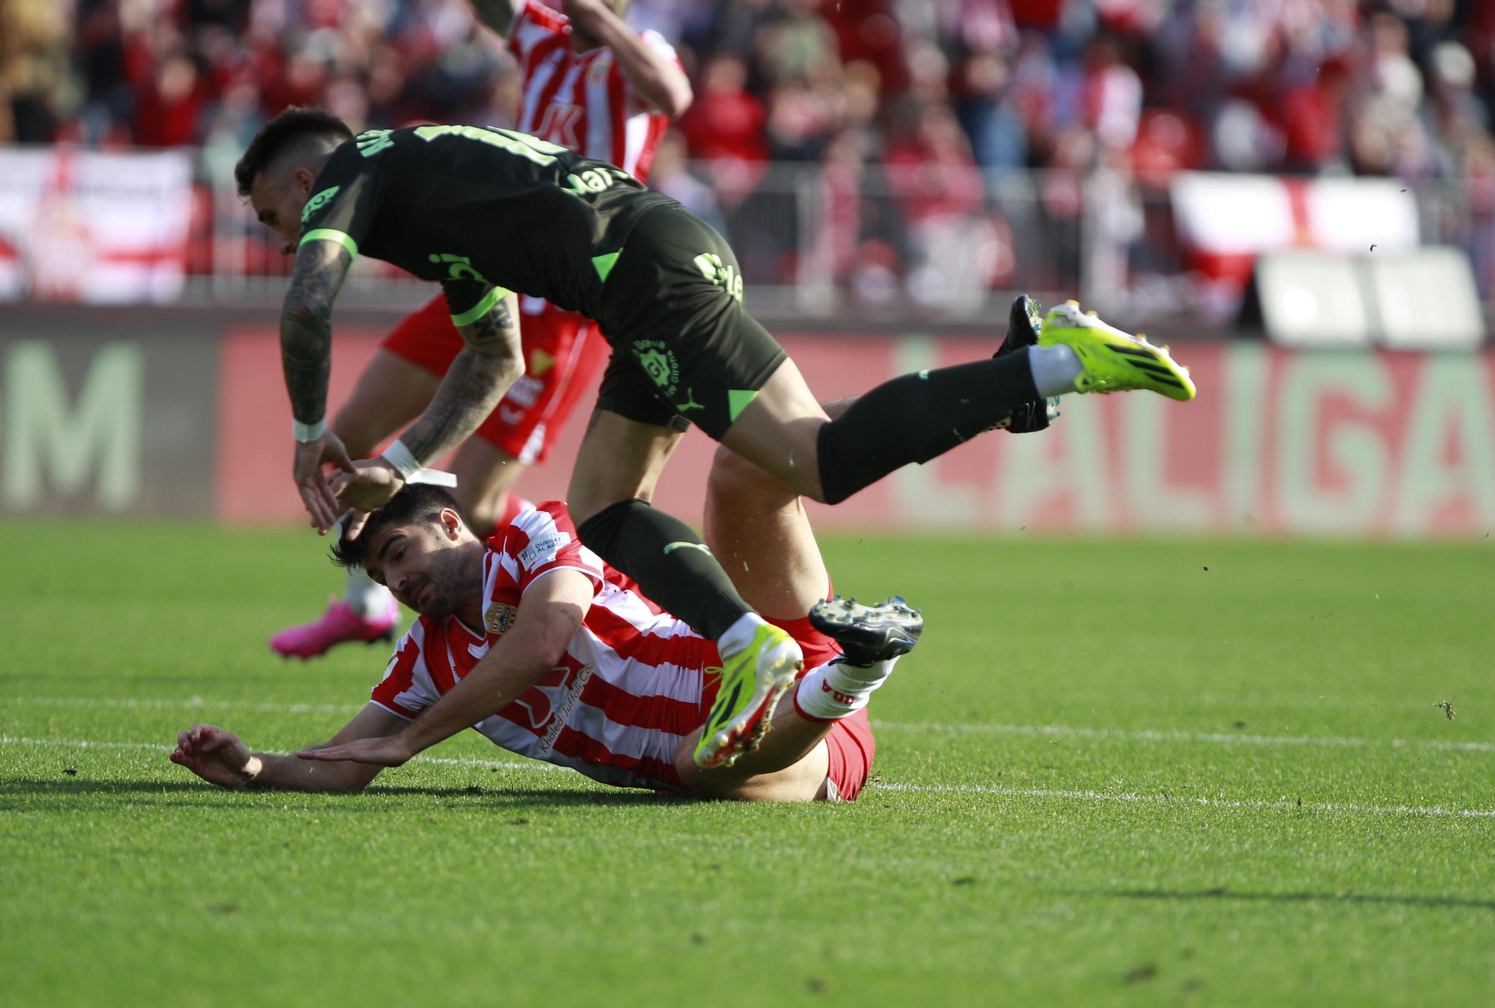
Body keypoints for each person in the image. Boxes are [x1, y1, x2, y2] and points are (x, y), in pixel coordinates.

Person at [234, 108, 1195, 771]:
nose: (287, 236)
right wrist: (398, 469)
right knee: (607, 500)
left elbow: (309, 303)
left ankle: (1047, 366)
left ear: (306, 180)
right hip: (653, 262)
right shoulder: (428, 196)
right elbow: (496, 356)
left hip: (645, 274)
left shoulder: (350, 180)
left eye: (278, 215)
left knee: (814, 460)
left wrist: (310, 434)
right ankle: (1015, 380)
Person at [270, 0, 693, 658]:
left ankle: (612, 590)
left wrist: (598, 18)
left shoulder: (638, 51)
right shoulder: (543, 38)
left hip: (564, 297)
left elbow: (674, 95)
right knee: (345, 440)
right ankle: (366, 603)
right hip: (488, 271)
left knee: (476, 499)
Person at [170, 439, 921, 795]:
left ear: (453, 522)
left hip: (759, 645)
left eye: (400, 551)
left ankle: (974, 396)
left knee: (746, 465)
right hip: (779, 745)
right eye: (381, 574)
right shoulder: (426, 656)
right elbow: (342, 761)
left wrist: (410, 741)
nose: (397, 581)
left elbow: (543, 640)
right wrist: (254, 767)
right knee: (704, 768)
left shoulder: (537, 532)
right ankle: (861, 665)